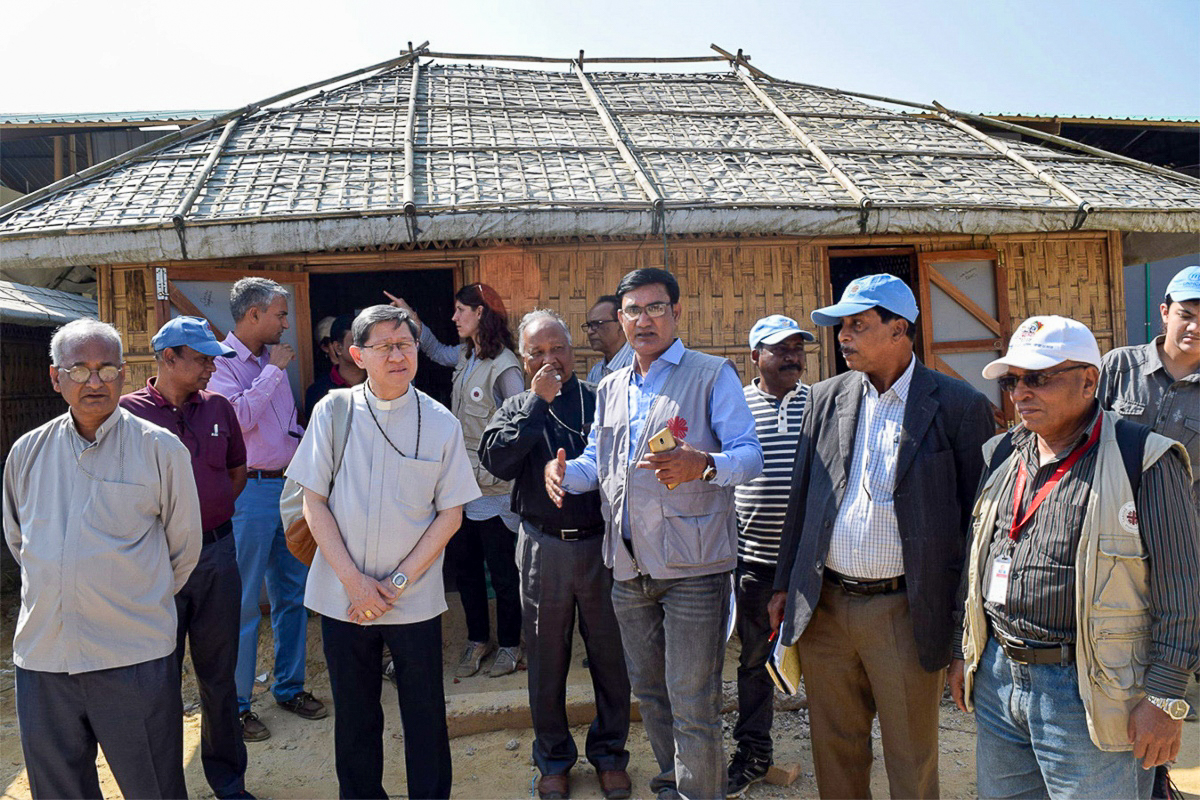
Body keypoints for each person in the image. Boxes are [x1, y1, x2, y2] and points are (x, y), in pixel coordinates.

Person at [948, 315, 1199, 799]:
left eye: (1038, 378)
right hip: (1001, 678)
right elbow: (977, 557)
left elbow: (1183, 589)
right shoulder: (1004, 454)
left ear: (1089, 380)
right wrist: (964, 651)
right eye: (1013, 380)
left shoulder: (1142, 458)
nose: (1020, 392)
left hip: (1092, 688)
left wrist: (1166, 698)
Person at [768, 274, 994, 799]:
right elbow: (801, 498)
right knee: (835, 749)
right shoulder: (826, 398)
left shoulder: (958, 406)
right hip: (825, 609)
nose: (843, 337)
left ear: (900, 329)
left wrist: (964, 626)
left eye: (858, 325)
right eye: (841, 327)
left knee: (910, 757)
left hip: (905, 611)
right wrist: (785, 585)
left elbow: (976, 526)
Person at [546, 267, 764, 800]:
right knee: (651, 692)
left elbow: (750, 456)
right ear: (620, 319)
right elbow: (600, 461)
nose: (644, 319)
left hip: (694, 566)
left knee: (694, 702)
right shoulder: (614, 384)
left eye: (656, 307)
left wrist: (703, 464)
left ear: (677, 312)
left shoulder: (711, 375)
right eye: (633, 310)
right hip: (627, 566)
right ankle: (674, 784)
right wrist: (562, 474)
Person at [3, 318, 201, 799]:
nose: (95, 381)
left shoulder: (159, 450)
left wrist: (128, 597)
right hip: (45, 657)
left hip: (132, 656)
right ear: (56, 378)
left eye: (107, 369)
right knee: (59, 790)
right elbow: (18, 541)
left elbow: (184, 548)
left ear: (124, 375)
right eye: (80, 370)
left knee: (151, 786)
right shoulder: (26, 453)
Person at [287, 305, 479, 799]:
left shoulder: (440, 423)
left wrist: (394, 585)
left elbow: (450, 515)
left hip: (410, 598)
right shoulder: (334, 410)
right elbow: (313, 501)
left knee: (425, 715)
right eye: (385, 346)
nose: (398, 355)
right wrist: (353, 581)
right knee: (354, 714)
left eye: (406, 344)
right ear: (357, 355)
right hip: (341, 596)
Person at [480, 309, 632, 800]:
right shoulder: (516, 408)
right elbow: (497, 461)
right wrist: (537, 406)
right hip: (543, 547)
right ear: (524, 361)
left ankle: (609, 754)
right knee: (547, 661)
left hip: (602, 548)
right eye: (538, 352)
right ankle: (553, 759)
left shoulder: (599, 399)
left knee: (611, 659)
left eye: (558, 348)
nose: (550, 359)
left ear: (572, 350)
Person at [120, 316, 254, 799]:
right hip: (155, 562)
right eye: (200, 359)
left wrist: (208, 514)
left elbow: (236, 473)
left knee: (220, 677)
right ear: (168, 357)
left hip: (218, 553)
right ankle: (164, 787)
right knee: (158, 679)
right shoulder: (127, 416)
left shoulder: (219, 407)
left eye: (213, 360)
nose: (210, 370)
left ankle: (229, 782)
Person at [208, 277, 326, 742]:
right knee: (242, 604)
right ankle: (237, 706)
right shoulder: (222, 361)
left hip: (287, 488)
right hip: (249, 493)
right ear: (252, 314)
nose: (285, 322)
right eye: (279, 313)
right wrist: (274, 371)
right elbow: (236, 418)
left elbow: (286, 424)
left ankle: (290, 687)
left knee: (292, 595)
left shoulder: (266, 362)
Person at [386, 283, 525, 677]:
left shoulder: (506, 366)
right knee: (465, 569)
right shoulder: (466, 355)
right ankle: (478, 640)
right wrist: (412, 317)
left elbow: (521, 425)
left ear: (480, 312)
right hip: (460, 489)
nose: (455, 317)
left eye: (461, 310)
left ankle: (512, 646)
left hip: (495, 492)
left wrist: (505, 472)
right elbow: (432, 350)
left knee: (502, 572)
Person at [727, 314, 814, 797]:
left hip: (812, 563)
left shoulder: (820, 403)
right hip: (754, 560)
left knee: (826, 659)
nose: (792, 356)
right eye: (780, 348)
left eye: (797, 348)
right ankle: (755, 752)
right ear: (754, 356)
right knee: (755, 659)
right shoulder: (735, 405)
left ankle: (839, 748)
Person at [305, 312, 366, 420]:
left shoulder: (379, 383)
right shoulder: (318, 392)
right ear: (338, 347)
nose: (362, 347)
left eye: (365, 340)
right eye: (355, 341)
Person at [584, 294, 634, 384]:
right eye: (589, 326)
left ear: (621, 323)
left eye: (598, 324)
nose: (590, 331)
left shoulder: (638, 367)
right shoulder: (596, 372)